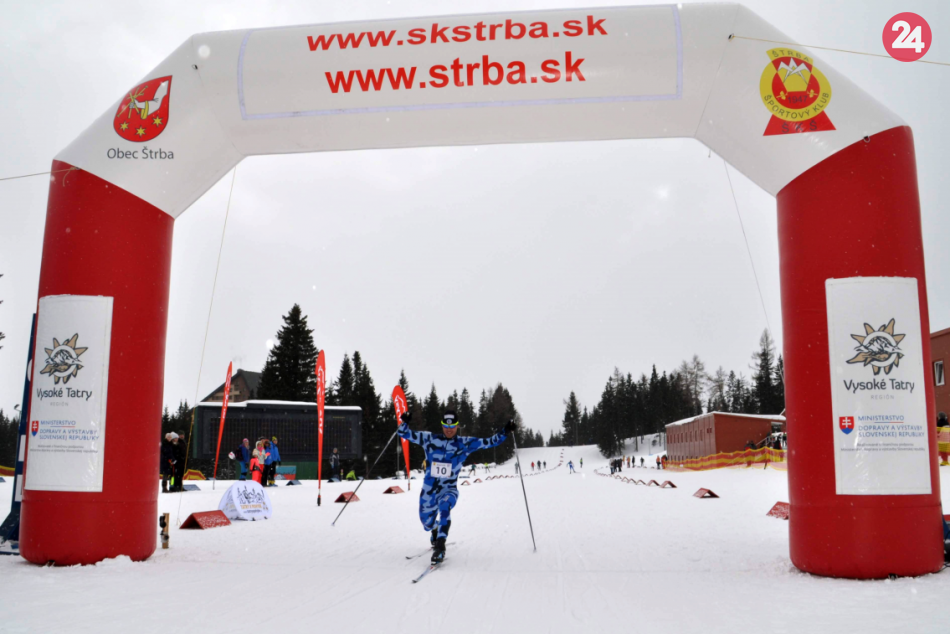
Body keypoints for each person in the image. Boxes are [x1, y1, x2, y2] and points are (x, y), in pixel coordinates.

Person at [398, 408, 512, 565]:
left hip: (449, 489)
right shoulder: (429, 439)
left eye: (452, 426)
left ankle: (440, 546)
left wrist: (506, 431)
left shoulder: (464, 444)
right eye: (446, 426)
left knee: (445, 508)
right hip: (429, 490)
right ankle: (435, 529)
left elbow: (490, 442)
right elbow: (403, 433)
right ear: (442, 425)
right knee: (426, 523)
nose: (449, 429)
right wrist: (405, 422)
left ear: (457, 426)